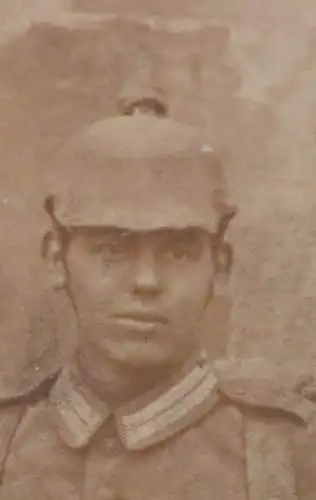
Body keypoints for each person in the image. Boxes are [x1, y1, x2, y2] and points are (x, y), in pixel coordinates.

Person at [0, 83, 315, 500]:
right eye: (111, 249)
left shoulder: (291, 455)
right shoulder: (10, 439)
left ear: (219, 268)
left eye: (178, 252)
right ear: (57, 259)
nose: (146, 281)